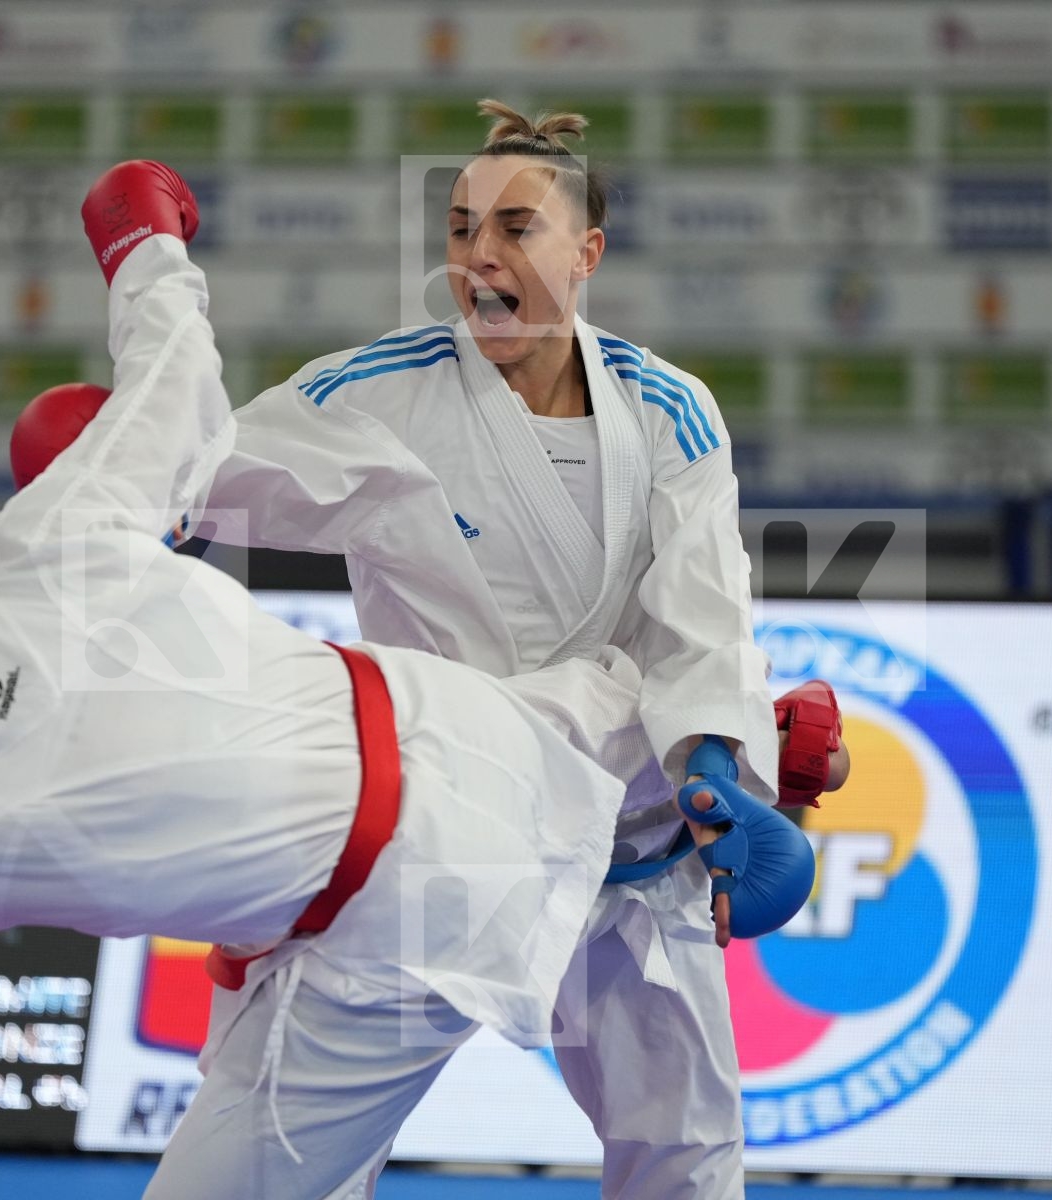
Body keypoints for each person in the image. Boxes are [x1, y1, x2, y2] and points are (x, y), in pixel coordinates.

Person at [0, 161, 715, 1199]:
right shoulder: (43, 547)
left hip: (382, 945)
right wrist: (140, 244)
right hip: (456, 738)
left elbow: (146, 837)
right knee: (599, 707)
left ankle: (730, 752)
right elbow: (175, 380)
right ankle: (737, 755)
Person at [181, 100, 850, 1198]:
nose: (478, 254)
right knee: (292, 1153)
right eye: (459, 229)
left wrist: (718, 773)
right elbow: (208, 470)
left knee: (688, 1158)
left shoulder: (669, 409)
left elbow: (703, 610)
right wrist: (120, 465)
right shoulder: (384, 391)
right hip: (447, 838)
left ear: (587, 253)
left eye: (514, 227)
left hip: (632, 848)